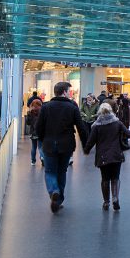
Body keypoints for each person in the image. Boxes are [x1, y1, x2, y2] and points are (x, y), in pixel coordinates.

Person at [34, 81, 88, 213]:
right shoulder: (72, 107)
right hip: (66, 145)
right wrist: (86, 145)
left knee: (50, 171)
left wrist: (42, 139)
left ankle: (54, 191)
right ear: (64, 92)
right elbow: (81, 127)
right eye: (69, 91)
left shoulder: (46, 107)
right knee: (62, 172)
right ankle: (58, 200)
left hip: (49, 144)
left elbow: (38, 127)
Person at [83, 102, 129, 210]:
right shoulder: (117, 123)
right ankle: (115, 198)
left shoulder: (97, 126)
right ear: (111, 111)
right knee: (115, 177)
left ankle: (106, 202)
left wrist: (86, 150)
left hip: (103, 156)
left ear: (100, 112)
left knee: (105, 179)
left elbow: (91, 141)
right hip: (116, 155)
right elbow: (128, 133)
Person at [26, 98, 43, 165]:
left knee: (33, 147)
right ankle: (42, 157)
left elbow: (28, 123)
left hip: (33, 132)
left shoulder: (30, 113)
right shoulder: (42, 112)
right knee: (40, 146)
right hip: (40, 132)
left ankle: (33, 161)